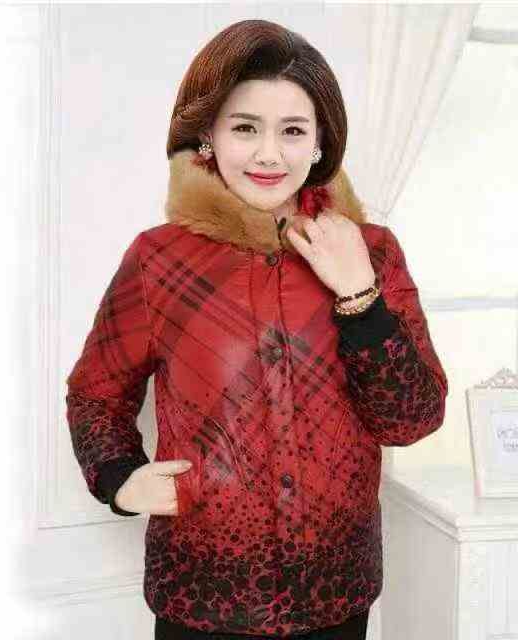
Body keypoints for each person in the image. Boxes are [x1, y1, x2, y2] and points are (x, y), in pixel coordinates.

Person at [65, 18, 449, 640]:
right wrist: (119, 478)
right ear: (208, 136)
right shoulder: (158, 260)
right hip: (201, 596)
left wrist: (358, 294)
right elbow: (95, 393)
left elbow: (412, 419)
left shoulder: (372, 251)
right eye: (246, 128)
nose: (270, 154)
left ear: (321, 142)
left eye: (293, 130)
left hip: (336, 594)